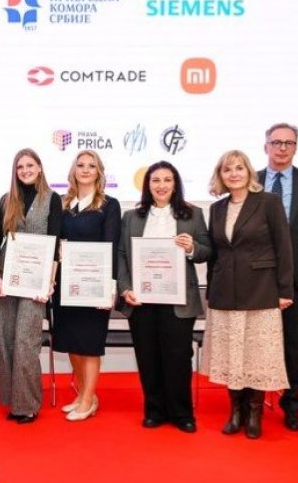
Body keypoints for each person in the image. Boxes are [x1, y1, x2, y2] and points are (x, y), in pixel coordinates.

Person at [203, 150, 292, 439]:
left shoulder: (268, 202)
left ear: (249, 172)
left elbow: (284, 247)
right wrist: (211, 290)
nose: (234, 174)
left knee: (256, 355)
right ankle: (236, 411)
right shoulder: (216, 208)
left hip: (261, 291)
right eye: (227, 169)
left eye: (239, 168)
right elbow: (215, 254)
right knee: (232, 355)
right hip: (224, 294)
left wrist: (285, 290)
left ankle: (254, 413)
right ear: (221, 176)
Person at [117, 161, 211, 433]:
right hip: (141, 299)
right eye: (155, 180)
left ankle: (182, 414)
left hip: (178, 300)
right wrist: (125, 288)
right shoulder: (131, 217)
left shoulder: (193, 214)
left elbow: (207, 251)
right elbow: (121, 255)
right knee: (148, 357)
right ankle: (154, 411)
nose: (161, 185)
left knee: (178, 357)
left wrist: (192, 247)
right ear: (147, 185)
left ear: (175, 184)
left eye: (167, 180)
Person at [257, 123, 298, 431]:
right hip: (256, 277)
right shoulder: (251, 180)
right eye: (276, 142)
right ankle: (254, 402)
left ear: (296, 147)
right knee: (256, 342)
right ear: (266, 146)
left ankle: (291, 404)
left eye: (289, 143)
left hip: (296, 277)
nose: (282, 148)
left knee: (294, 344)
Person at [53, 149, 121, 422]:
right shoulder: (63, 203)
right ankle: (84, 395)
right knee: (72, 342)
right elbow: (55, 240)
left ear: (99, 172)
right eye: (80, 165)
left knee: (90, 344)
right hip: (67, 285)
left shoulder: (109, 205)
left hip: (94, 285)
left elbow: (111, 246)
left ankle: (89, 399)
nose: (85, 169)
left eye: (91, 166)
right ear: (73, 170)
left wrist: (110, 288)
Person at [0, 149, 61, 424]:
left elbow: (55, 242)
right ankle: (13, 401)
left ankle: (28, 405)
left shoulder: (52, 199)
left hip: (36, 281)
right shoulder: (6, 200)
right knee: (7, 339)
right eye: (20, 166)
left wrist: (50, 282)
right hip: (8, 279)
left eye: (30, 165)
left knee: (26, 341)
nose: (25, 170)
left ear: (40, 167)